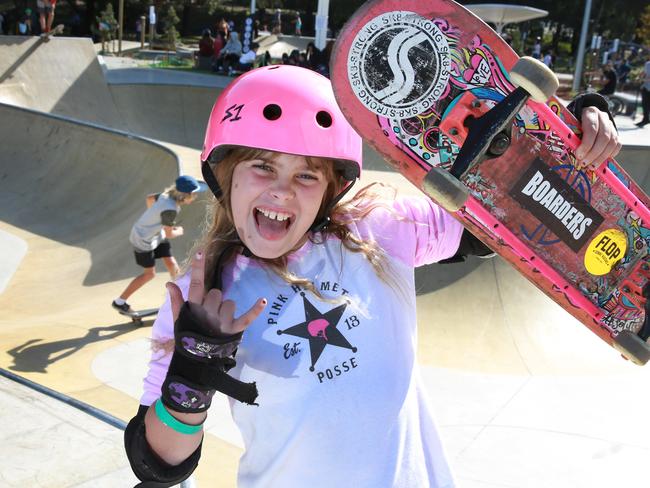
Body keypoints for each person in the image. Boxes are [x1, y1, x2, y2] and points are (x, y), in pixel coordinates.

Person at [123, 66, 621, 487]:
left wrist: (567, 139)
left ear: (331, 188)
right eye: (262, 167)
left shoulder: (376, 230)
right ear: (226, 174)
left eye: (306, 175)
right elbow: (157, 462)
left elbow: (496, 215)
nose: (282, 192)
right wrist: (193, 368)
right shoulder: (201, 294)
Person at [112, 175, 201, 314]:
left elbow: (149, 198)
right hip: (142, 239)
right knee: (149, 274)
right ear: (185, 195)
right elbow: (171, 234)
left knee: (171, 262)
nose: (195, 197)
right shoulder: (170, 210)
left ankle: (181, 294)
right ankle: (119, 301)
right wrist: (179, 231)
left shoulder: (165, 196)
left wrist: (153, 215)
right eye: (194, 194)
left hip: (156, 234)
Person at [636, 58, 650, 128]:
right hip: (646, 87)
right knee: (645, 105)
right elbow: (644, 73)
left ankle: (646, 119)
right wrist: (639, 77)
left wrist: (643, 79)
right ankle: (645, 119)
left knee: (647, 105)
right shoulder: (647, 64)